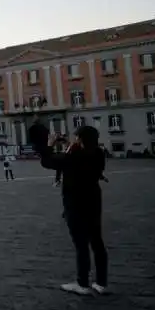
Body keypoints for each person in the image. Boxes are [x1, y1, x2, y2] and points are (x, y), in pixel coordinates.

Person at [36, 125, 108, 296]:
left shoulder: (73, 156)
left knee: (81, 244)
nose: (74, 140)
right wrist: (70, 144)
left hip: (76, 203)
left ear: (81, 139)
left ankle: (82, 283)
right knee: (97, 242)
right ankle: (101, 283)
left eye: (76, 137)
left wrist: (50, 143)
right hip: (93, 201)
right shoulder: (98, 153)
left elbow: (47, 161)